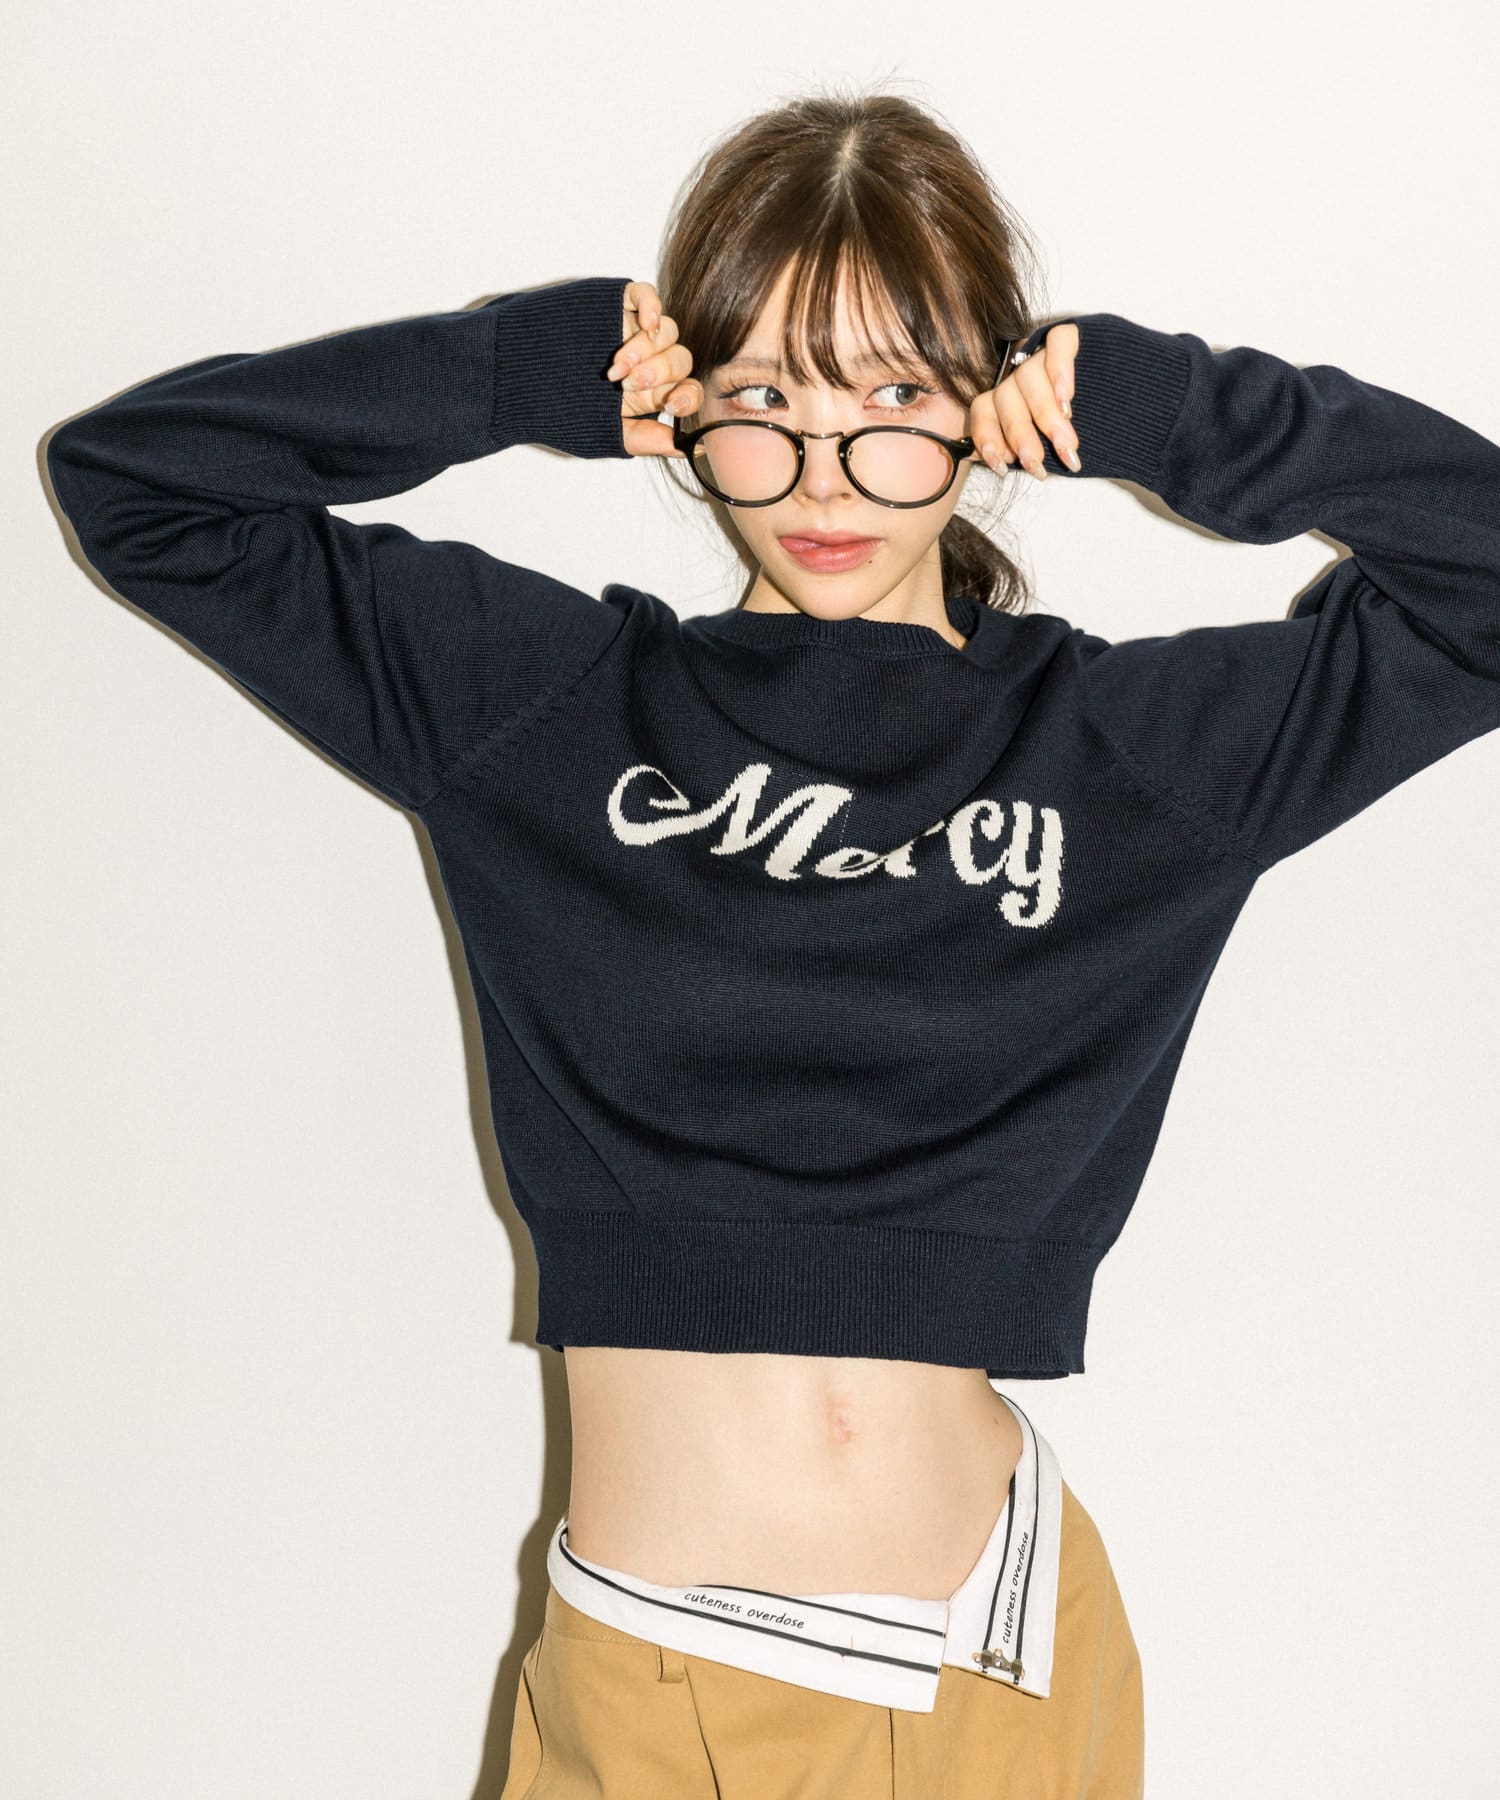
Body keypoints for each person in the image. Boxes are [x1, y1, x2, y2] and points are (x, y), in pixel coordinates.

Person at [44, 85, 1500, 1800]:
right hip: (660, 1673)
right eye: (762, 403)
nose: (824, 479)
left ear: (989, 406)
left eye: (893, 399)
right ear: (683, 408)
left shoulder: (1129, 758)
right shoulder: (544, 708)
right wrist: (507, 375)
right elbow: (140, 487)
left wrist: (1181, 415)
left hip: (1000, 1655)